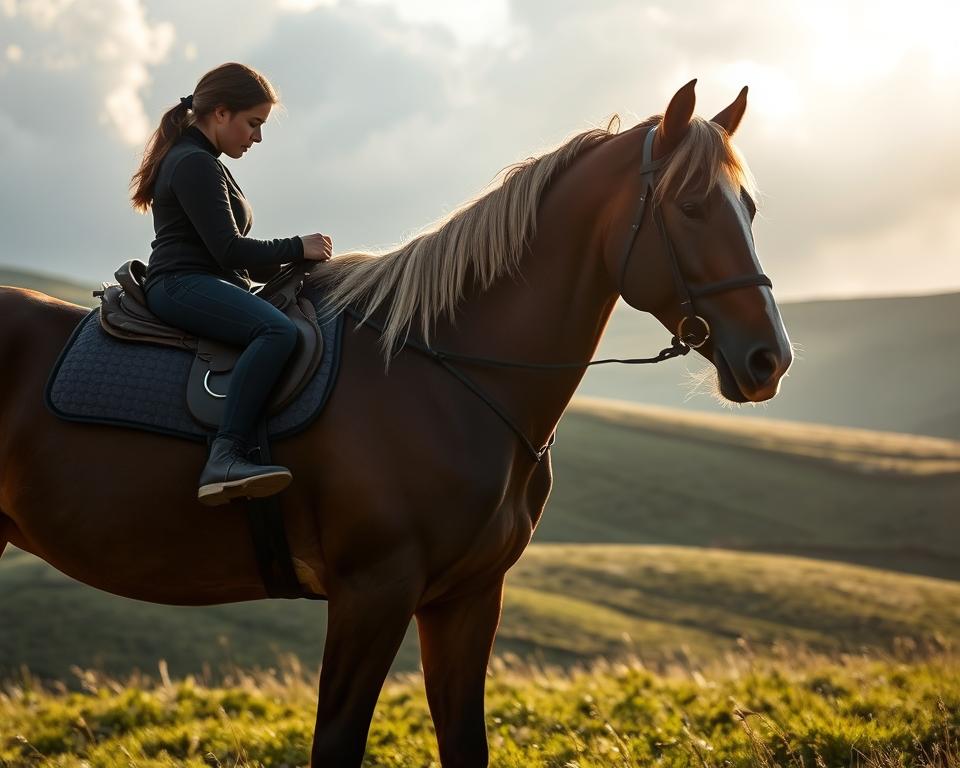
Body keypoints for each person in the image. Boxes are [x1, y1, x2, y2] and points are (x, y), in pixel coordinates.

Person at [129, 62, 332, 507]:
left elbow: (237, 260)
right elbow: (228, 249)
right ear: (221, 113)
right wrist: (296, 245)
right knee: (276, 331)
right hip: (181, 284)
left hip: (205, 280)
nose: (257, 138)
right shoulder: (194, 163)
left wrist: (294, 264)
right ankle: (225, 455)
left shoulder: (205, 162)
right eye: (253, 123)